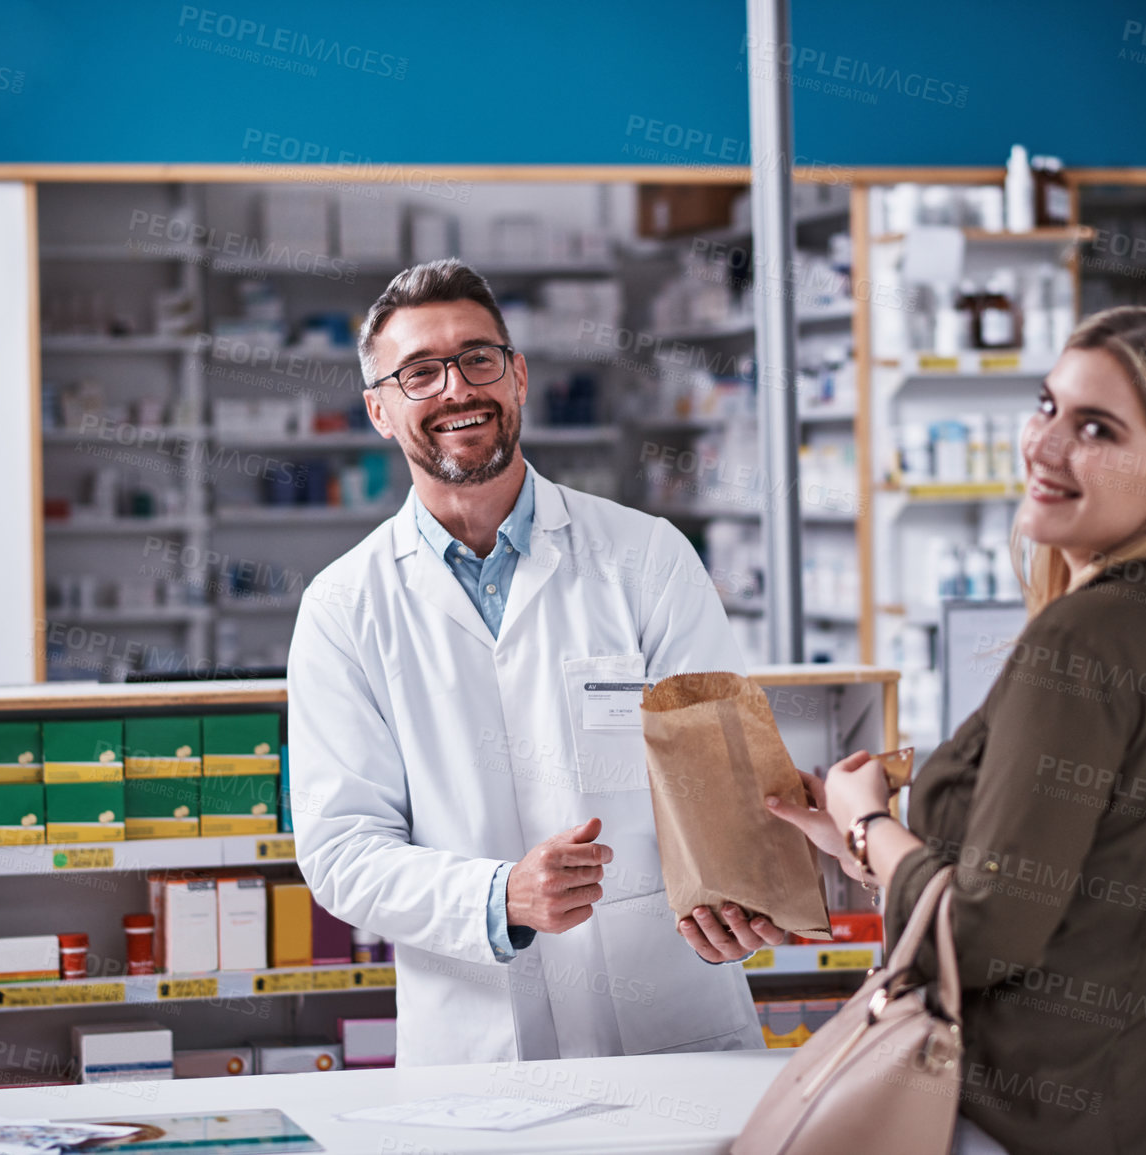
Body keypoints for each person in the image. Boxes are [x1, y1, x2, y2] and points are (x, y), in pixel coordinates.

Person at [770, 307, 1146, 1154]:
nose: (1044, 447)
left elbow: (981, 937)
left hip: (1048, 1119)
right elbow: (1075, 899)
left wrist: (871, 825)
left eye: (1095, 428)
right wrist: (847, 836)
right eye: (1047, 406)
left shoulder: (1081, 641)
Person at [287, 259, 781, 1066]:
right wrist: (496, 897)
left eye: (477, 358)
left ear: (517, 376)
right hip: (477, 1042)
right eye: (419, 373)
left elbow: (721, 776)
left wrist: (741, 886)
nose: (456, 388)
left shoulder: (646, 556)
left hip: (667, 1023)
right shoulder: (343, 606)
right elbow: (342, 849)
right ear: (378, 410)